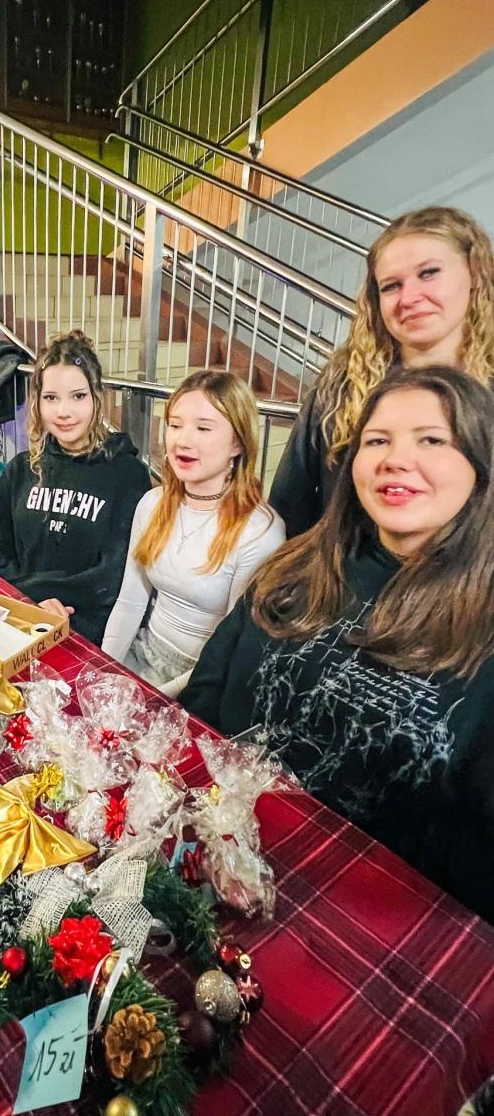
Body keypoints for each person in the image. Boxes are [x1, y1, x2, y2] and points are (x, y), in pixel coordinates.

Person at [180, 367, 494, 921]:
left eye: (432, 440)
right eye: (378, 440)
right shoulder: (298, 565)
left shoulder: (482, 632)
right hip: (208, 853)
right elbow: (208, 687)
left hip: (358, 917)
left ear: (480, 467)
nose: (397, 458)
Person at [269, 206, 494, 537]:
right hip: (344, 580)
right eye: (391, 286)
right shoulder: (344, 383)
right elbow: (290, 503)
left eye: (429, 273)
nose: (410, 297)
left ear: (474, 274)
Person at [102, 371, 284, 696]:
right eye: (175, 424)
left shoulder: (260, 532)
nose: (183, 440)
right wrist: (104, 671)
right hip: (143, 655)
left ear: (238, 444)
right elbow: (130, 602)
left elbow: (230, 650)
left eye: (203, 428)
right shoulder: (152, 503)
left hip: (202, 681)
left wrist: (154, 699)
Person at [0, 330, 151, 644]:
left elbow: (113, 575)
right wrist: (33, 604)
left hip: (89, 630)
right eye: (51, 398)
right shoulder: (20, 470)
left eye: (78, 396)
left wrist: (47, 600)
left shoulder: (128, 475)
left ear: (97, 397)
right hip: (24, 620)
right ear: (37, 401)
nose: (64, 411)